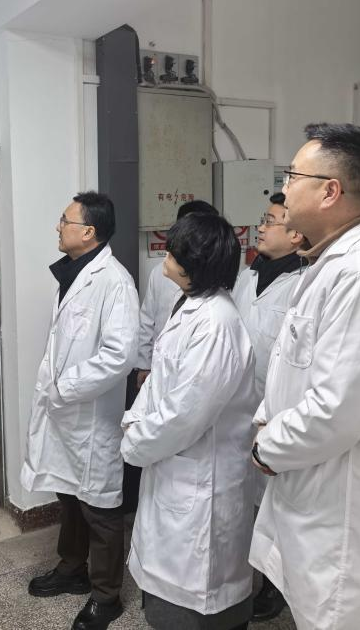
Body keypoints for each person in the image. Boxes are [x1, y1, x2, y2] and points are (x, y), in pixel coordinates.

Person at [249, 123, 360, 630]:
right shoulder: (328, 264)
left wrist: (266, 447)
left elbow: (336, 411)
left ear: (329, 191)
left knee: (338, 616)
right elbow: (290, 366)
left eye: (292, 176)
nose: (283, 189)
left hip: (344, 507)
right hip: (310, 489)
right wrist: (266, 422)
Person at [121, 213, 257, 630]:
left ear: (194, 263)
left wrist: (135, 441)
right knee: (170, 587)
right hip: (172, 465)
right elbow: (161, 381)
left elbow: (185, 414)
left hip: (201, 481)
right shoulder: (191, 305)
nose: (166, 256)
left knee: (197, 599)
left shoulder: (216, 324)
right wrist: (136, 421)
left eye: (173, 251)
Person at [23, 192, 140, 630]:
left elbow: (119, 355)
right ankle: (72, 568)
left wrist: (64, 388)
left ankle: (106, 596)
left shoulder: (114, 282)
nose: (58, 227)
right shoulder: (73, 274)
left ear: (88, 232)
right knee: (69, 493)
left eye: (64, 220)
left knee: (100, 506)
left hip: (91, 417)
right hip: (65, 413)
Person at [231, 192, 304, 621]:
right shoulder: (248, 275)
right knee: (248, 501)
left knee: (276, 504)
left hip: (275, 412)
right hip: (239, 405)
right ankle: (248, 576)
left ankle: (275, 589)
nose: (260, 227)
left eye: (270, 221)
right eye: (263, 219)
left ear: (295, 235)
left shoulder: (303, 285)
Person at [124, 200, 219, 513]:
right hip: (160, 372)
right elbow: (148, 319)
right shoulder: (159, 274)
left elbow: (188, 409)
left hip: (187, 389)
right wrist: (143, 365)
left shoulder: (214, 315)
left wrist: (137, 438)